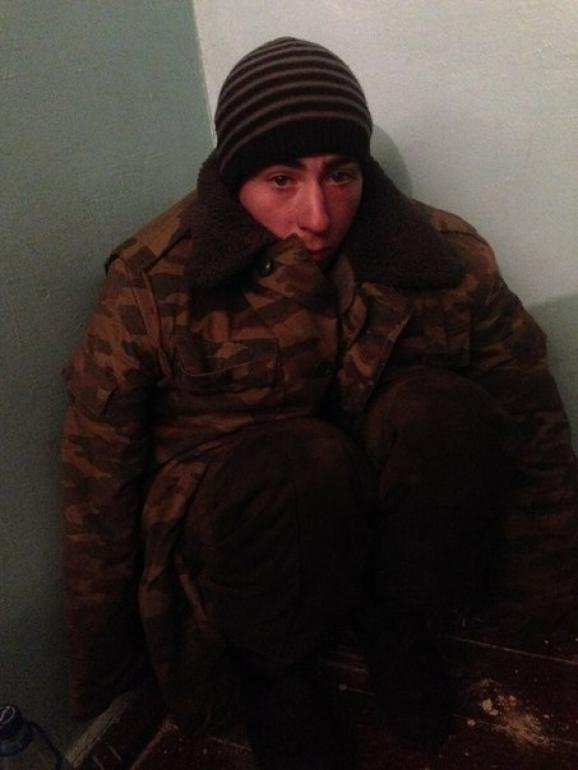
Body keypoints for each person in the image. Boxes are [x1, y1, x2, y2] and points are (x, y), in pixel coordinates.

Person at [61, 37, 578, 769]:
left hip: (383, 533)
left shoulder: (444, 257)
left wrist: (546, 597)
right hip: (244, 541)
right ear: (236, 179)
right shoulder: (156, 282)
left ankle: (397, 625)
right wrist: (106, 662)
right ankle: (282, 679)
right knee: (300, 460)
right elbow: (98, 475)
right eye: (281, 179)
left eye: (340, 174)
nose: (317, 214)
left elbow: (529, 417)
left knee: (443, 413)